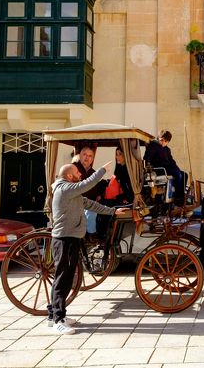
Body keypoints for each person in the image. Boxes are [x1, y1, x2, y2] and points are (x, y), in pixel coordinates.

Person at [48, 161, 129, 335]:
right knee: (63, 279)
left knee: (66, 278)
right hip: (65, 239)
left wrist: (113, 211)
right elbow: (87, 184)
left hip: (71, 238)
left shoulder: (71, 193)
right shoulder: (65, 189)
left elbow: (91, 205)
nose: (80, 175)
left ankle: (54, 314)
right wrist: (102, 171)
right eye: (77, 173)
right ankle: (57, 320)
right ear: (69, 176)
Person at [143, 130, 186, 205]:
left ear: (168, 141)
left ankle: (181, 196)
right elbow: (147, 158)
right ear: (159, 138)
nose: (163, 142)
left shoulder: (167, 150)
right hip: (159, 169)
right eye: (161, 140)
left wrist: (177, 169)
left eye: (165, 141)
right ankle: (178, 199)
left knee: (184, 174)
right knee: (178, 174)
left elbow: (172, 161)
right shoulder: (153, 145)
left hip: (168, 168)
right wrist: (149, 168)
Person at [72, 146, 104, 237]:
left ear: (92, 158)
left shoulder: (93, 172)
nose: (87, 157)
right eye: (84, 154)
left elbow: (97, 188)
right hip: (75, 202)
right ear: (80, 155)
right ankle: (91, 236)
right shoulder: (73, 168)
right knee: (91, 212)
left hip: (89, 202)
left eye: (90, 156)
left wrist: (99, 195)